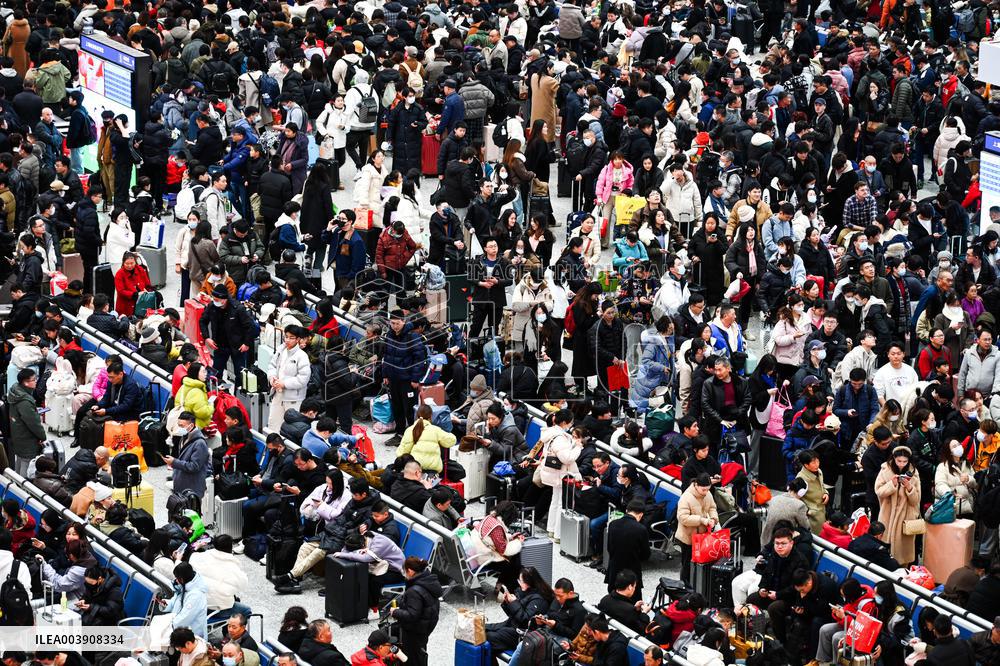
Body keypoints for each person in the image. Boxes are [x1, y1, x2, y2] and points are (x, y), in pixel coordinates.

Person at [874, 445, 921, 566]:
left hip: (905, 519)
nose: (901, 464)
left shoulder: (914, 474)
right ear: (894, 458)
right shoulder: (885, 470)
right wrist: (892, 484)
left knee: (903, 556)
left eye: (905, 461)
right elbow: (878, 491)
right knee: (884, 555)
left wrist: (909, 487)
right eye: (899, 461)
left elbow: (916, 500)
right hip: (887, 516)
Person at [200, 285, 257, 377]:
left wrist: (246, 343)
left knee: (240, 375)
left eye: (217, 300)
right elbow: (203, 321)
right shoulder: (212, 306)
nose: (215, 301)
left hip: (238, 346)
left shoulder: (238, 309)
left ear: (224, 299)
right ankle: (217, 390)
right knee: (216, 373)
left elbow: (250, 326)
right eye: (213, 299)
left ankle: (238, 391)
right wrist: (206, 337)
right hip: (219, 345)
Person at [266, 325, 312, 433]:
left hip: (293, 399)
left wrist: (284, 383)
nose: (287, 340)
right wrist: (272, 378)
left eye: (291, 337)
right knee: (273, 424)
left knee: (291, 429)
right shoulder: (280, 350)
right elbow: (272, 366)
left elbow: (303, 378)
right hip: (277, 394)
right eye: (286, 336)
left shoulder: (302, 356)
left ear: (298, 339)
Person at [676, 473, 718, 585]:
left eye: (708, 489)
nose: (706, 492)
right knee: (687, 565)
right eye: (703, 490)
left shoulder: (708, 494)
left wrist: (714, 518)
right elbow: (682, 518)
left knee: (704, 562)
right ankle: (685, 587)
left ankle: (700, 585)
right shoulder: (686, 497)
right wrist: (701, 520)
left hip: (703, 536)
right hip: (688, 537)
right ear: (696, 485)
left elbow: (712, 508)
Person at [604, 499, 651, 598]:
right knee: (634, 600)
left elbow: (609, 548)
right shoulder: (641, 529)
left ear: (627, 510)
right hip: (632, 570)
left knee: (613, 599)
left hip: (614, 569)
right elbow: (646, 554)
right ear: (641, 514)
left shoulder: (613, 524)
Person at [163, 412, 210, 510]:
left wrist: (174, 462)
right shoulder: (184, 437)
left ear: (191, 425)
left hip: (192, 487)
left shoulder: (199, 443)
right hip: (182, 483)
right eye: (178, 425)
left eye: (181, 426)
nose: (179, 428)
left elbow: (194, 466)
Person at [9, 368, 46, 476]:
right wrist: (43, 437)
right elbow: (34, 423)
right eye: (34, 380)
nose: (36, 381)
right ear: (26, 382)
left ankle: (16, 483)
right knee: (26, 463)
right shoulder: (25, 401)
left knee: (20, 460)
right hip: (26, 438)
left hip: (18, 434)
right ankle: (22, 488)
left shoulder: (15, 391)